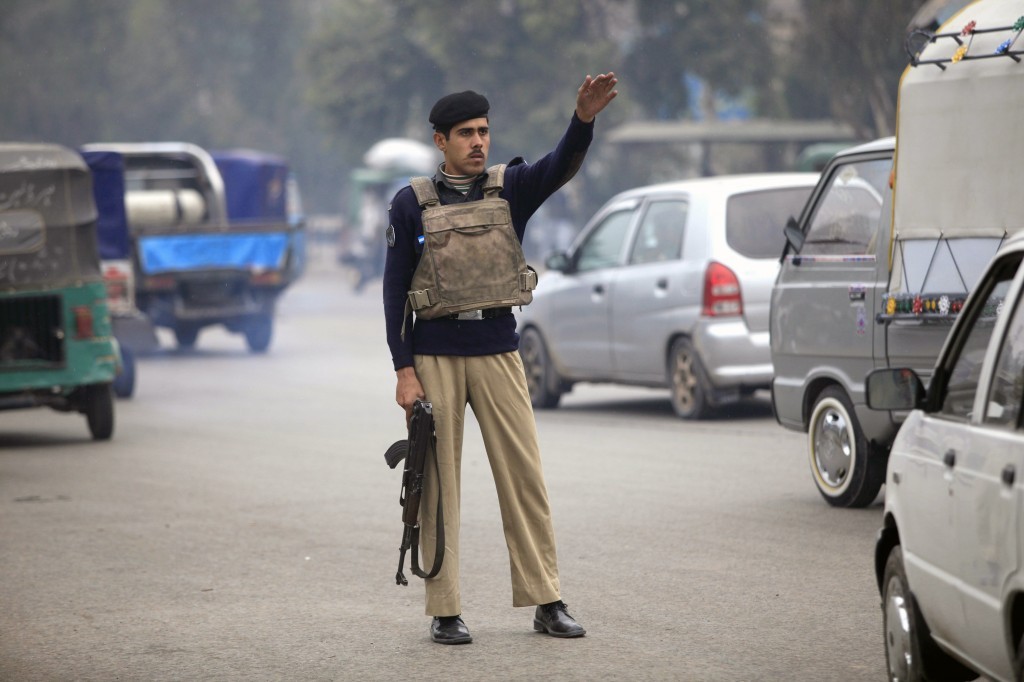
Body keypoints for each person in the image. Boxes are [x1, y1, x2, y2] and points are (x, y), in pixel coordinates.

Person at [382, 73, 618, 645]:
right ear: (440, 140)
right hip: (436, 352)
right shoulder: (410, 203)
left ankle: (547, 600)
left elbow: (560, 165)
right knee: (438, 483)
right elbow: (393, 291)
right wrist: (403, 369)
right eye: (466, 133)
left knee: (525, 479)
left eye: (484, 131)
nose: (478, 141)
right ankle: (445, 608)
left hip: (498, 349)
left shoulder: (508, 188)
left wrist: (582, 120)